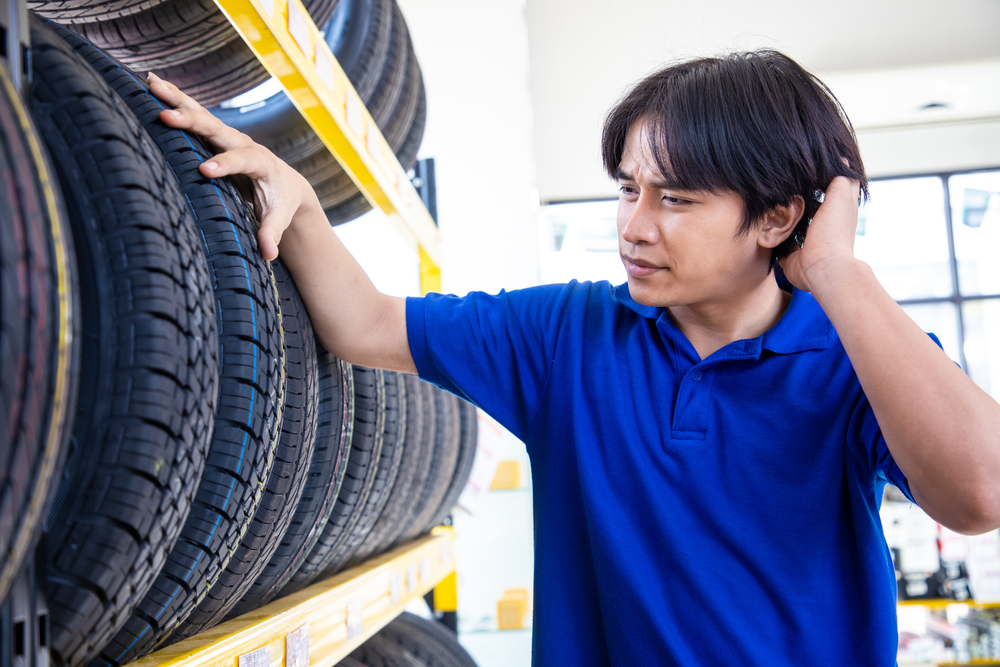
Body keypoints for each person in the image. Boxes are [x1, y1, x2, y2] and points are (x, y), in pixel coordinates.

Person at [146, 49, 1000, 666]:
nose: (633, 224)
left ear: (777, 217)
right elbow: (365, 323)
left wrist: (838, 274)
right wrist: (295, 206)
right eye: (629, 187)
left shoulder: (851, 358)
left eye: (677, 198)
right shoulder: (570, 333)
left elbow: (980, 494)